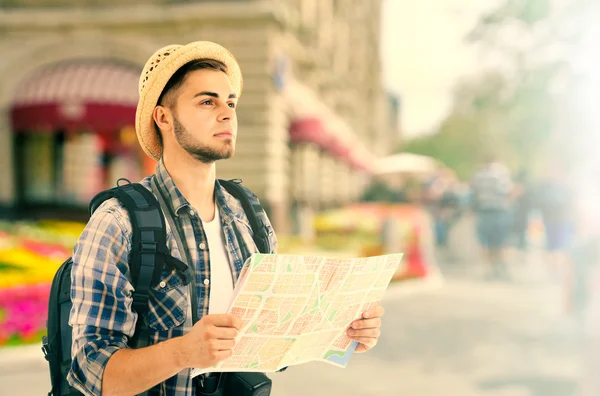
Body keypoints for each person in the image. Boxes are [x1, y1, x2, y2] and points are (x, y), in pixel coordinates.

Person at [67, 41, 385, 396]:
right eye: (207, 102)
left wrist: (343, 332)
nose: (226, 114)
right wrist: (185, 351)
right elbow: (91, 375)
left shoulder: (249, 215)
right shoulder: (118, 222)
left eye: (230, 103)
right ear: (164, 117)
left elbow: (270, 344)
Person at [471, 156, 513, 279]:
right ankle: (500, 268)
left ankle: (489, 269)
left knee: (486, 242)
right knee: (501, 241)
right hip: (499, 211)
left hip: (484, 211)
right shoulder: (501, 174)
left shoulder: (479, 176)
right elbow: (507, 190)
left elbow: (474, 193)